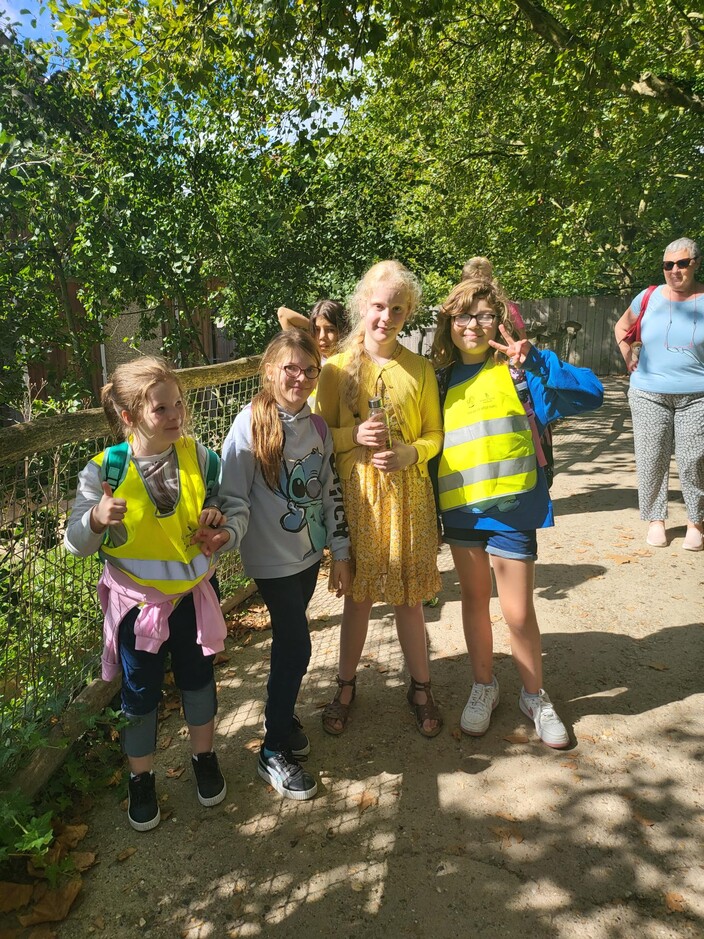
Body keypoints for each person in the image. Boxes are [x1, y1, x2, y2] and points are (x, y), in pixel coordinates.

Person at [431, 279, 603, 748]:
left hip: (514, 510)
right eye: (463, 316)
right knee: (473, 601)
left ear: (499, 322)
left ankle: (533, 694)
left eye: (484, 315)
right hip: (462, 513)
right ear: (448, 324)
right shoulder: (439, 380)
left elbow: (592, 395)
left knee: (518, 611)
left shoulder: (519, 372)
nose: (473, 325)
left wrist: (540, 361)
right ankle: (483, 686)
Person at [64, 356, 230, 832]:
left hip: (195, 597)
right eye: (162, 409)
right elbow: (75, 543)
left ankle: (204, 758)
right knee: (139, 695)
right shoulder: (104, 472)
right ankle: (141, 779)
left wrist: (216, 516)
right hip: (138, 609)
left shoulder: (200, 456)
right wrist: (96, 519)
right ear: (130, 416)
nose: (176, 415)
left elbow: (219, 496)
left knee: (198, 679)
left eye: (178, 404)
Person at [218, 330, 352, 801]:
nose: (300, 377)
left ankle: (282, 712)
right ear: (269, 370)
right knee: (297, 646)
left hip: (308, 555)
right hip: (270, 560)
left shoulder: (315, 427)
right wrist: (226, 539)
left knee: (288, 647)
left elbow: (330, 489)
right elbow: (232, 497)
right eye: (290, 368)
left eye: (309, 370)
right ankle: (272, 749)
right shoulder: (249, 424)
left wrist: (341, 551)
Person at [315, 260, 444, 738]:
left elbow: (435, 435)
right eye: (377, 306)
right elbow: (318, 436)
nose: (385, 316)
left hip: (409, 496)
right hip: (360, 500)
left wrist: (411, 451)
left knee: (410, 599)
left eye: (396, 308)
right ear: (361, 307)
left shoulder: (420, 369)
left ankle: (421, 687)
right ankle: (345, 686)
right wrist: (354, 435)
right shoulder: (335, 370)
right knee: (360, 599)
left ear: (408, 313)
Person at [614, 237, 704, 551]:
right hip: (648, 392)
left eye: (682, 263)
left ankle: (696, 522)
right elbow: (620, 327)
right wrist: (628, 356)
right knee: (652, 459)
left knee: (695, 461)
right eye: (669, 265)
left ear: (695, 263)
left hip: (698, 395)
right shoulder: (648, 297)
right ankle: (655, 520)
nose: (675, 270)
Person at [277, 299, 350, 364]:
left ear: (342, 330)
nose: (322, 336)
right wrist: (312, 327)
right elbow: (282, 314)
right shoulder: (311, 357)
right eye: (317, 329)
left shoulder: (350, 361)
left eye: (330, 330)